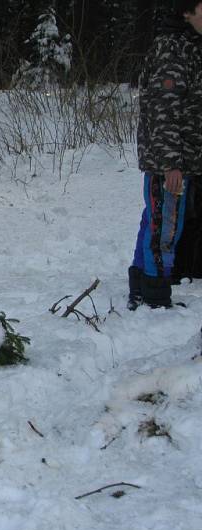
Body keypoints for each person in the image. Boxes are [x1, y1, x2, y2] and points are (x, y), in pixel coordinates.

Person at [128, 0, 202, 310]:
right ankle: (154, 298)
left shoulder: (191, 46)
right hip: (170, 162)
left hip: (185, 159)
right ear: (187, 12)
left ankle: (142, 287)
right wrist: (172, 163)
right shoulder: (171, 49)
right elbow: (164, 110)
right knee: (164, 227)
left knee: (158, 221)